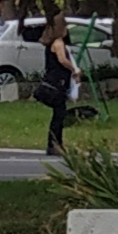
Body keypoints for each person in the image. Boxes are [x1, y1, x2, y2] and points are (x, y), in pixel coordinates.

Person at [35, 15, 82, 156]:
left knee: (59, 113)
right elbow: (62, 59)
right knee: (59, 114)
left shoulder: (50, 43)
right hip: (57, 82)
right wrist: (74, 69)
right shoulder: (58, 43)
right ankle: (54, 144)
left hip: (54, 80)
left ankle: (56, 143)